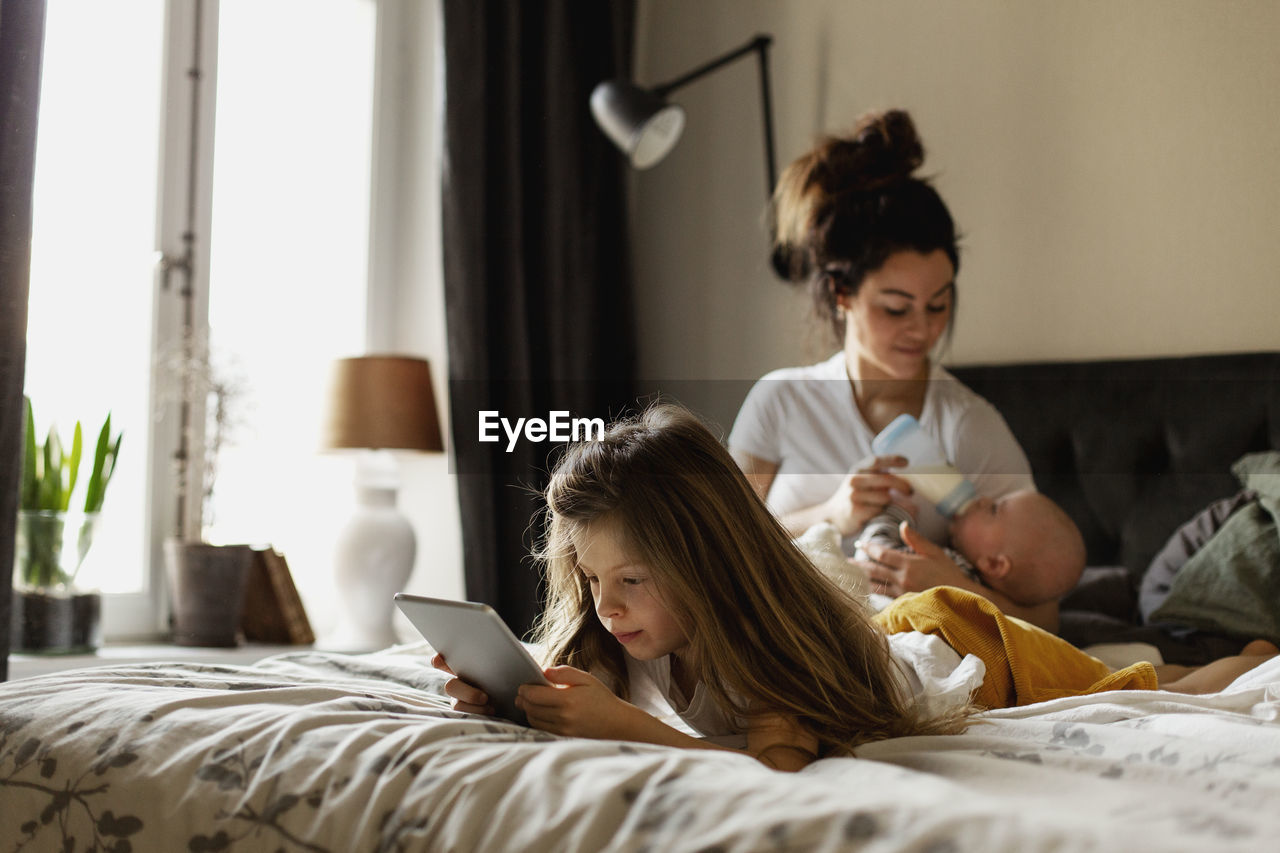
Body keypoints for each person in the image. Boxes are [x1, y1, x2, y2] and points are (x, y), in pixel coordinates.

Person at [434, 405, 1278, 771]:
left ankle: (1248, 654)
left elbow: (778, 765)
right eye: (590, 579)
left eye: (629, 579)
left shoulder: (753, 646)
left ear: (709, 564)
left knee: (1143, 685)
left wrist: (624, 726)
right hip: (895, 632)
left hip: (966, 640)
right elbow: (588, 681)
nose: (606, 605)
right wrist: (513, 693)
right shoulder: (632, 627)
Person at [728, 108, 1038, 618]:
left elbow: (1047, 620)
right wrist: (832, 514)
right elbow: (715, 545)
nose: (923, 328)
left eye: (938, 305)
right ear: (841, 293)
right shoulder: (780, 400)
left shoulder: (967, 425)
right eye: (896, 308)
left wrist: (958, 589)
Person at [851, 489, 1086, 633]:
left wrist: (896, 514)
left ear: (994, 565)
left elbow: (874, 557)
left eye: (994, 509)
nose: (982, 499)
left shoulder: (955, 569)